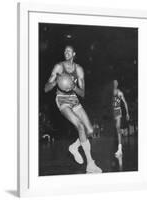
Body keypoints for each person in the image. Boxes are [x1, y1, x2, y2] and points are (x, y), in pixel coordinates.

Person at [44, 45, 102, 173]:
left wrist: (73, 86)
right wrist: (56, 82)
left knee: (90, 130)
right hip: (62, 100)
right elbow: (46, 88)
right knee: (80, 126)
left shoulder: (79, 70)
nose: (66, 52)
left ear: (74, 53)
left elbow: (82, 94)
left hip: (74, 99)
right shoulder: (59, 67)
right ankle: (90, 164)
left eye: (69, 50)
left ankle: (74, 147)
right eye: (65, 50)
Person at [112, 80, 130, 157]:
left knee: (118, 128)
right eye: (113, 82)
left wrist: (127, 113)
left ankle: (120, 150)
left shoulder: (120, 92)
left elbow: (125, 102)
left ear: (117, 84)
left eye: (116, 82)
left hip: (117, 110)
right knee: (114, 130)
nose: (115, 83)